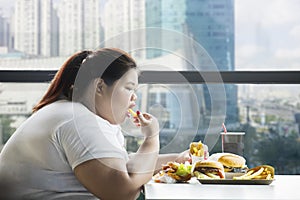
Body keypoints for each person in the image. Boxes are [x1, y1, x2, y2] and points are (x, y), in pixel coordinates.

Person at [0, 48, 191, 200]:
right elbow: (121, 193)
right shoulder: (78, 120)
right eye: (129, 88)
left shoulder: (72, 112)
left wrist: (178, 160)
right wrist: (151, 138)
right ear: (100, 87)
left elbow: (123, 165)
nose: (134, 98)